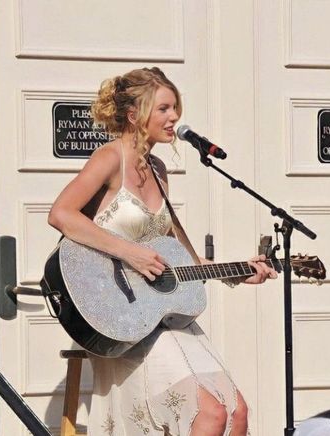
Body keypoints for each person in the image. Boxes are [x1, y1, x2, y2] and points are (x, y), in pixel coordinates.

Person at [48, 67, 277, 436]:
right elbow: (61, 214)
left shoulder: (157, 169)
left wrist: (236, 272)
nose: (174, 118)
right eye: (164, 109)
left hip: (161, 313)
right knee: (211, 414)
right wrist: (130, 253)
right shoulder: (109, 158)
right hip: (120, 314)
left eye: (175, 108)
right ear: (134, 114)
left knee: (237, 412)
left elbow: (176, 259)